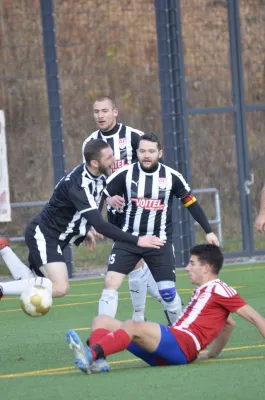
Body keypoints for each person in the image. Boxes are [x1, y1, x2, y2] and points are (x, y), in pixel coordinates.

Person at [0, 139, 164, 301]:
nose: (114, 160)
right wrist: (137, 240)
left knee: (32, 281)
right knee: (59, 287)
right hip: (44, 235)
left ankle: (4, 249)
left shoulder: (100, 175)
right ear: (94, 162)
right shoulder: (78, 185)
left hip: (57, 238)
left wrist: (87, 228)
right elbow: (101, 224)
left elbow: (98, 200)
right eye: (109, 157)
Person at [66, 243, 265, 374]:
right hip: (170, 348)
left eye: (192, 263)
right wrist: (212, 354)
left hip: (181, 344)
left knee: (132, 325)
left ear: (206, 268)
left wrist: (204, 351)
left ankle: (91, 354)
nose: (187, 268)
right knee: (101, 321)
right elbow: (228, 324)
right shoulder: (202, 291)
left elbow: (256, 318)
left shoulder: (220, 289)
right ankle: (98, 363)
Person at [94, 133, 219, 328]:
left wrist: (208, 231)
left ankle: (182, 333)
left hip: (159, 241)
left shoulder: (171, 177)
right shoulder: (125, 174)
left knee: (168, 292)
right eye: (142, 151)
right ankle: (99, 335)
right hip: (128, 240)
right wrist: (99, 216)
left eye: (151, 151)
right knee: (110, 284)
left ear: (159, 153)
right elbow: (102, 193)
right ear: (137, 152)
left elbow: (191, 203)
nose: (146, 155)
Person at [82, 95, 163, 321]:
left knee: (140, 260)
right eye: (96, 111)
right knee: (136, 261)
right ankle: (159, 306)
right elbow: (92, 181)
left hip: (144, 209)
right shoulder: (90, 143)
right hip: (116, 213)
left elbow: (154, 171)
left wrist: (141, 196)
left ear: (115, 112)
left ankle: (150, 311)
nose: (100, 115)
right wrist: (100, 209)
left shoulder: (134, 137)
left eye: (105, 111)